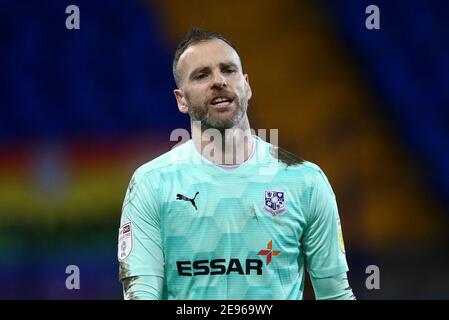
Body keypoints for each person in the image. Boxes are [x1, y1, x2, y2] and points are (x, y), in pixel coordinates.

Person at [117, 28, 355, 300]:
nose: (218, 81)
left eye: (228, 70)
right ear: (181, 100)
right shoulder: (151, 184)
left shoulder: (305, 181)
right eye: (202, 75)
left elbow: (335, 295)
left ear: (247, 85)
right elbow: (141, 296)